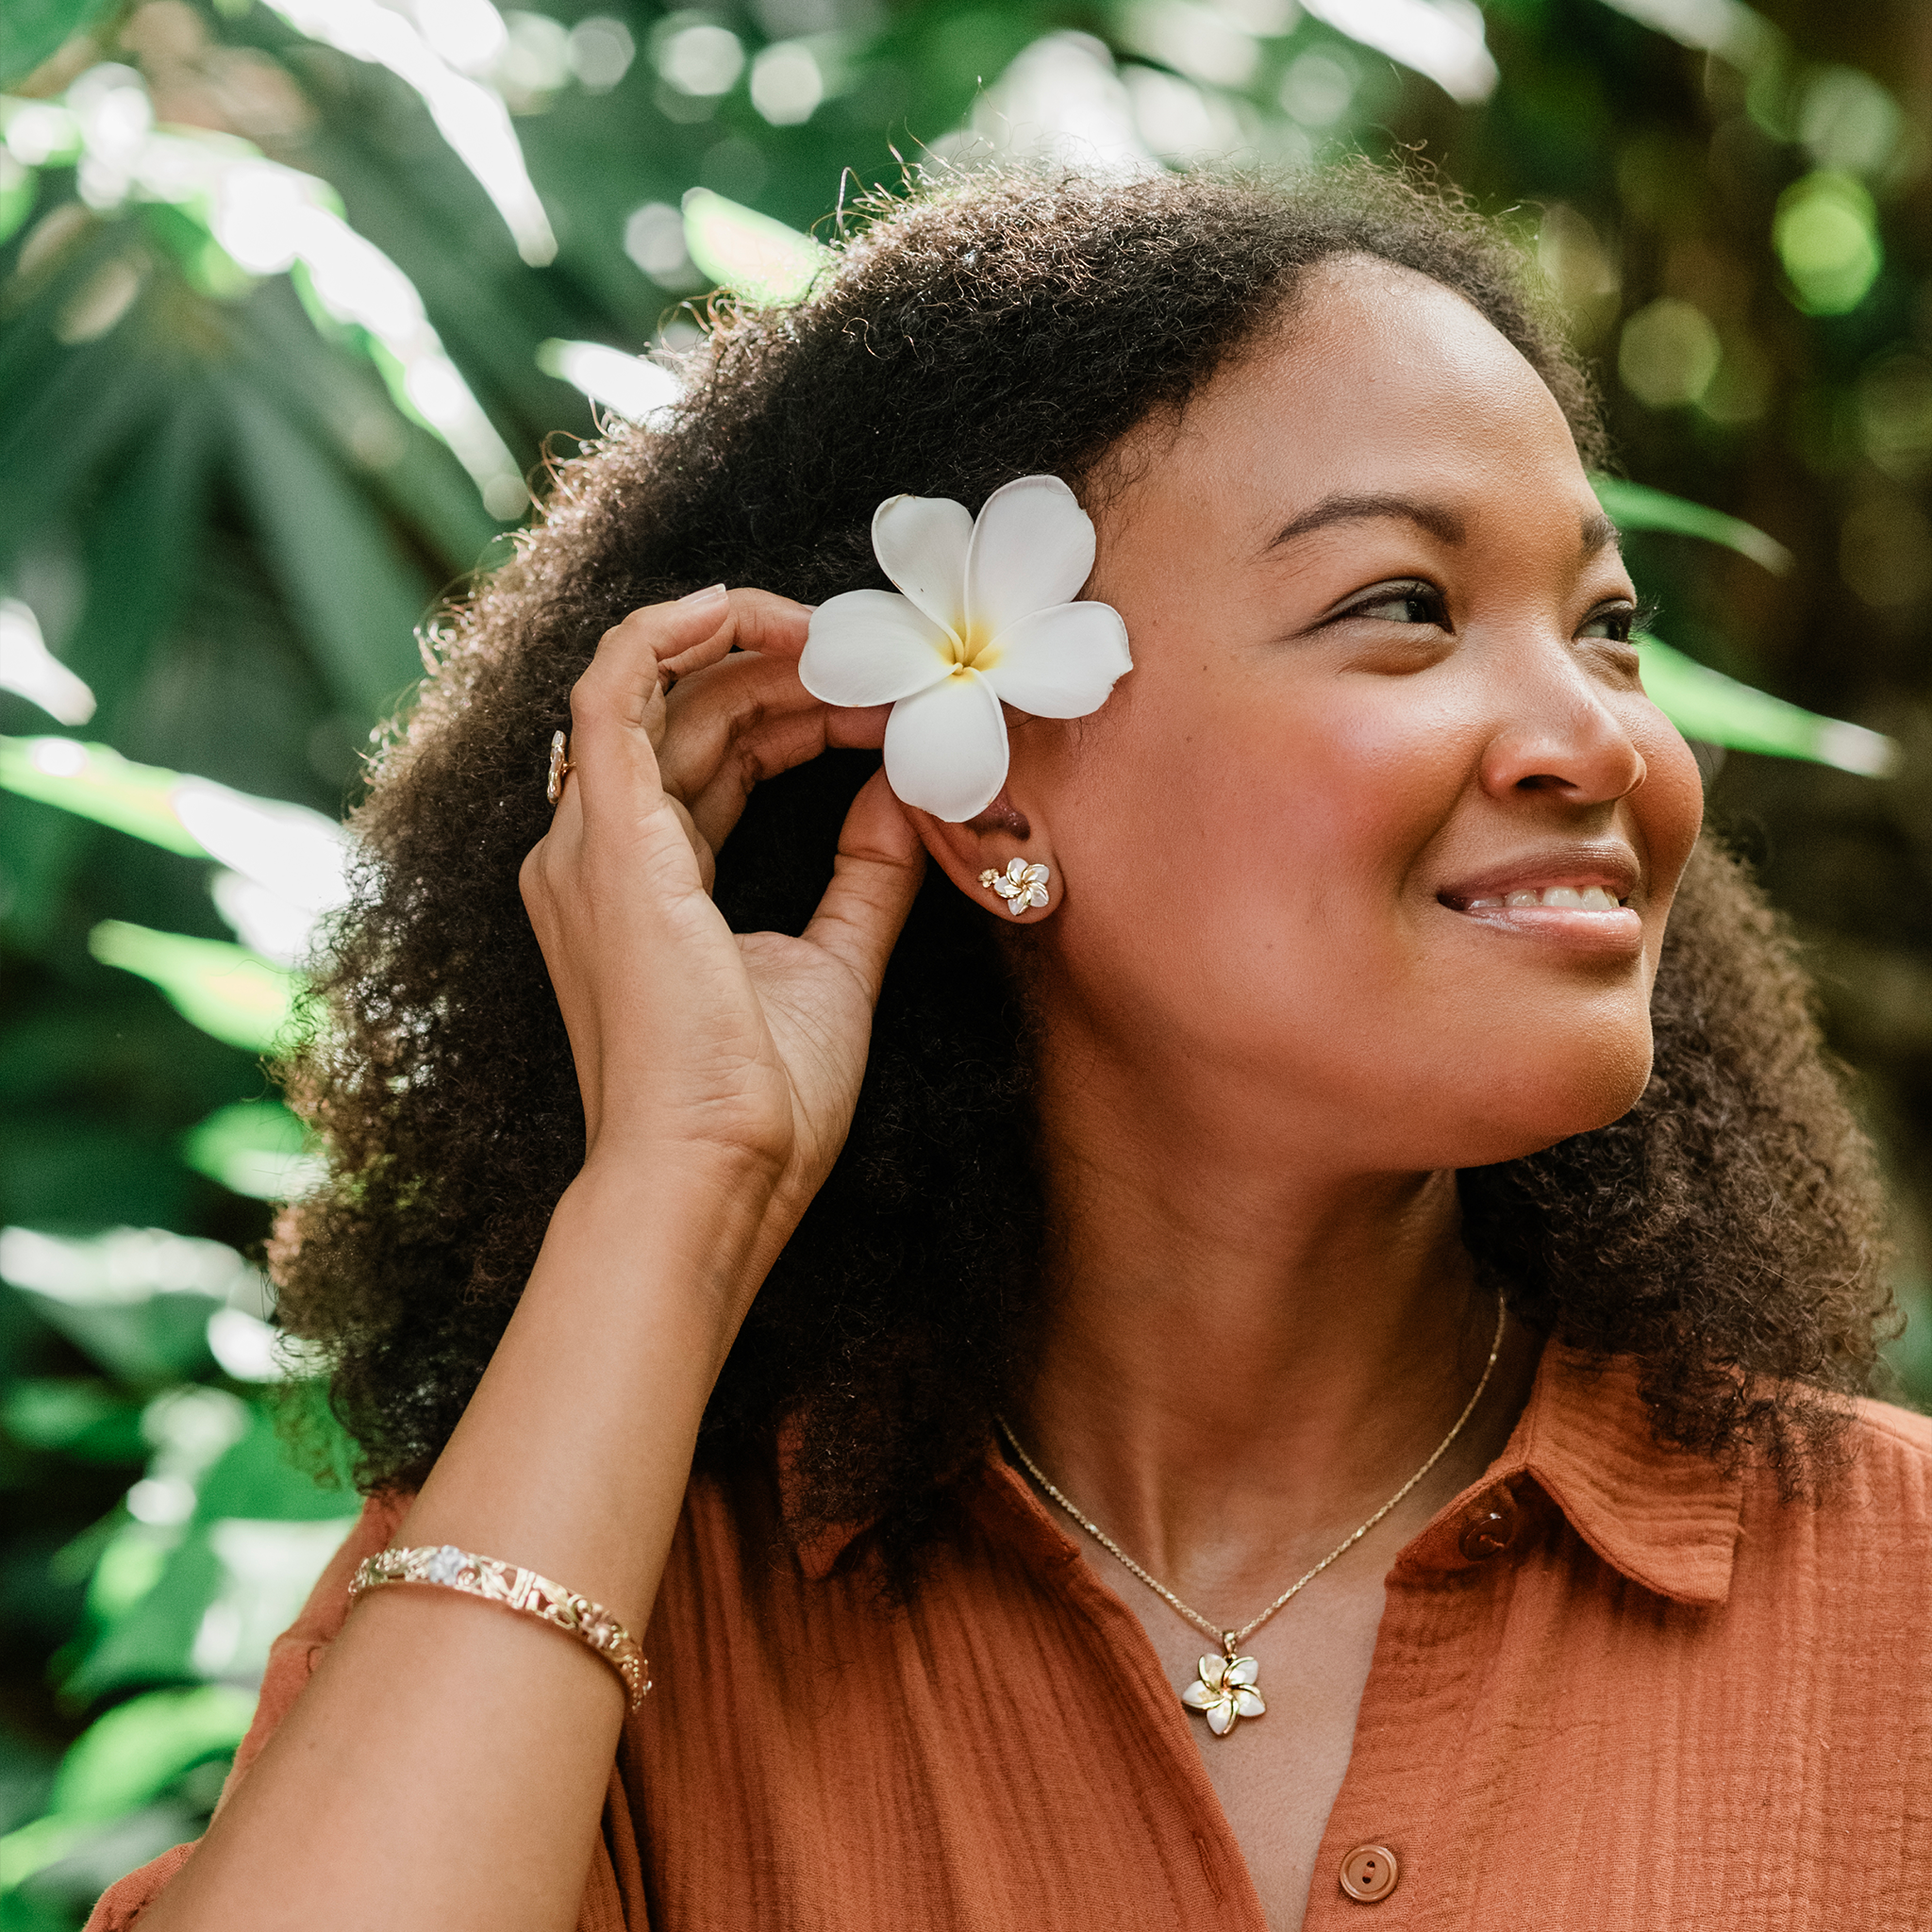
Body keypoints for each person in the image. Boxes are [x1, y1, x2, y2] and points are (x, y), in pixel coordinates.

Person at [92, 164, 1926, 1932]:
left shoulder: (1891, 1595)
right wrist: (678, 1189)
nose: (1602, 742)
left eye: (1606, 629)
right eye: (1402, 608)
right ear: (986, 808)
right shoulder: (589, 1615)